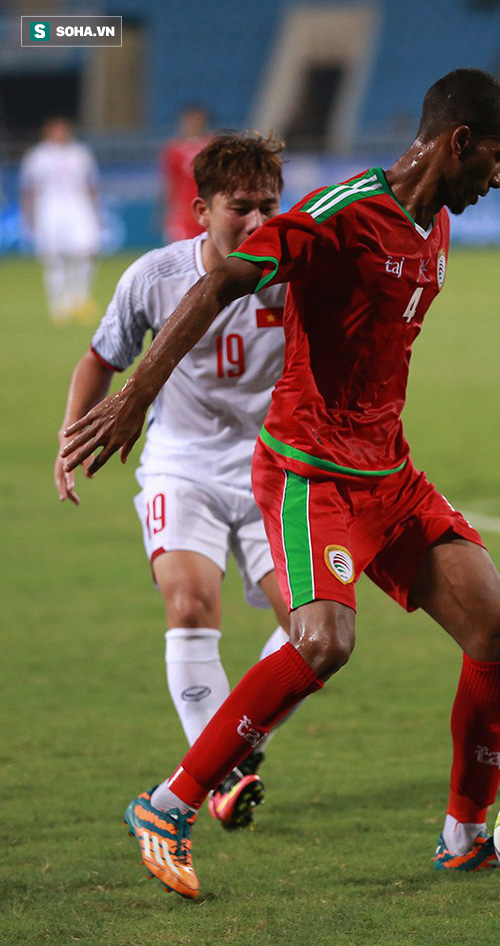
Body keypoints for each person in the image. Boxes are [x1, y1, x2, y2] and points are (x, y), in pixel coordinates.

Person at [62, 69, 500, 900]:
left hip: (391, 472)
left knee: (499, 630)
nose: (499, 175)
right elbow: (222, 279)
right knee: (323, 642)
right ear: (458, 142)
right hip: (311, 473)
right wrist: (134, 395)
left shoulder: (437, 224)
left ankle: (463, 836)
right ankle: (168, 804)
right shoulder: (339, 214)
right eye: (495, 157)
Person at [55, 132, 292, 830]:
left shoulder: (297, 273)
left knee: (311, 628)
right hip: (182, 463)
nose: (255, 222)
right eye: (240, 206)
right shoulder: (155, 277)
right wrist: (69, 442)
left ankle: (237, 740)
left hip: (274, 469)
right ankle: (220, 772)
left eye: (269, 207)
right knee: (189, 604)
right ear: (201, 208)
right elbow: (99, 360)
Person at [20, 116, 101, 324]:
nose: (61, 133)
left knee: (85, 250)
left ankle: (80, 299)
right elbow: (28, 189)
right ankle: (59, 305)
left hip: (78, 205)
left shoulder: (80, 153)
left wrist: (96, 211)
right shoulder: (38, 156)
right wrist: (28, 217)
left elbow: (91, 184)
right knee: (54, 258)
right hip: (49, 208)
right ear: (47, 132)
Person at [160, 104, 212, 244]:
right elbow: (171, 182)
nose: (192, 124)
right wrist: (167, 212)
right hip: (185, 213)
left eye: (196, 120)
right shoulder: (174, 149)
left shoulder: (213, 147)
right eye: (189, 120)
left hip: (209, 209)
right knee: (183, 252)